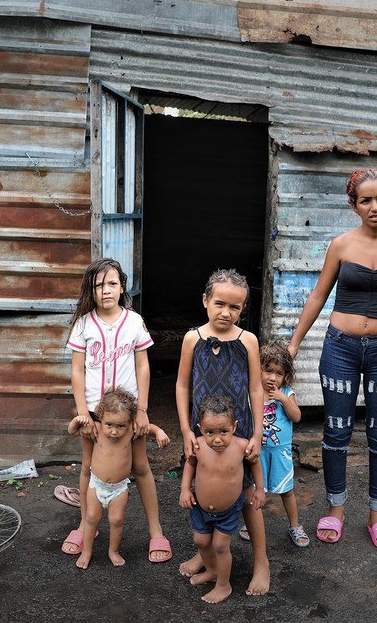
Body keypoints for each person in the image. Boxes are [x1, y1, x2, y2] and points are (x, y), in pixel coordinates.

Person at [287, 168, 377, 550]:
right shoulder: (341, 245)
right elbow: (317, 295)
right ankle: (336, 509)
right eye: (366, 200)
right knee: (336, 430)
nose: (375, 206)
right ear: (354, 205)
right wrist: (294, 343)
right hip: (340, 348)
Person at [61, 258, 172, 563]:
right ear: (91, 290)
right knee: (88, 467)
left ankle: (156, 531)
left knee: (140, 466)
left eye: (112, 283)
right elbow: (78, 371)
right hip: (96, 415)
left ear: (122, 286)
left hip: (129, 413)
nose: (105, 290)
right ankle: (86, 524)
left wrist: (144, 410)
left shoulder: (134, 322)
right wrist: (83, 412)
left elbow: (142, 365)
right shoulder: (84, 324)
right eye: (98, 285)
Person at [175, 269, 269, 595]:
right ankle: (206, 554)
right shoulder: (192, 339)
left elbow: (256, 388)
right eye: (219, 303)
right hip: (201, 430)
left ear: (243, 310)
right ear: (205, 301)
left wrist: (256, 433)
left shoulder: (248, 341)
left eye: (235, 307)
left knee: (244, 494)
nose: (226, 313)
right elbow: (182, 384)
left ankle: (261, 562)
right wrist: (186, 430)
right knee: (204, 485)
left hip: (237, 429)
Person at [67, 387, 171, 569]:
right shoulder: (96, 429)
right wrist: (77, 421)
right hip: (96, 485)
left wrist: (160, 432)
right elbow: (71, 431)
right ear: (101, 417)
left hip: (118, 488)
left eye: (120, 426)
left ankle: (113, 551)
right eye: (110, 425)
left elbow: (150, 428)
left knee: (117, 520)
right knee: (91, 518)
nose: (114, 431)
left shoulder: (131, 431)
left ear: (129, 422)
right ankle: (87, 552)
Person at [179, 393, 264, 604]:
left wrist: (260, 489)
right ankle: (212, 570)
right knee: (200, 540)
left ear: (234, 427)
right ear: (199, 428)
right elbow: (190, 464)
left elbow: (255, 463)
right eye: (210, 432)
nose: (217, 439)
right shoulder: (198, 445)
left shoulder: (241, 445)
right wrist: (184, 490)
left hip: (228, 509)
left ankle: (223, 585)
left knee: (219, 545)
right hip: (200, 506)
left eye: (223, 432)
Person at [242, 343, 308, 547]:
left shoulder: (286, 393)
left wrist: (283, 400)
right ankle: (250, 524)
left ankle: (295, 525)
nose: (273, 377)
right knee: (253, 490)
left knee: (286, 490)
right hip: (257, 452)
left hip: (280, 452)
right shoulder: (251, 393)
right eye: (268, 370)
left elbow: (296, 417)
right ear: (258, 369)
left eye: (279, 373)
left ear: (285, 376)